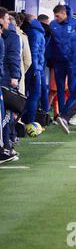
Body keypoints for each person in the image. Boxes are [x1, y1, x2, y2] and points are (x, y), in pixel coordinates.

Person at [46, 5, 76, 117]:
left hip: (71, 62)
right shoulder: (53, 24)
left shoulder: (75, 23)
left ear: (64, 13)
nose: (56, 18)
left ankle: (69, 114)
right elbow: (50, 43)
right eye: (55, 16)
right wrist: (48, 58)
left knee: (72, 88)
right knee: (59, 88)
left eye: (58, 16)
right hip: (58, 62)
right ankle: (62, 114)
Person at [1, 11, 21, 158]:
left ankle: (8, 145)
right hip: (5, 79)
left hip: (6, 78)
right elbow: (13, 58)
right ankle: (6, 146)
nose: (9, 22)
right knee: (5, 115)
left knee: (6, 114)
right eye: (7, 19)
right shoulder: (11, 37)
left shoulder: (9, 36)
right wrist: (15, 76)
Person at [23, 17, 47, 125]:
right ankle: (30, 122)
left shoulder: (29, 31)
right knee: (35, 95)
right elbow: (34, 53)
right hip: (34, 69)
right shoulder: (37, 33)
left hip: (31, 68)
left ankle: (25, 120)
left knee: (28, 95)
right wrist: (36, 69)